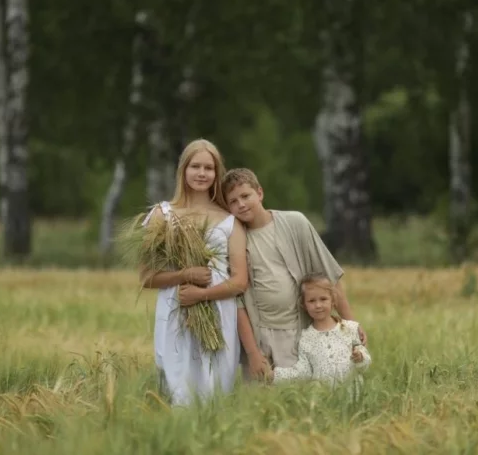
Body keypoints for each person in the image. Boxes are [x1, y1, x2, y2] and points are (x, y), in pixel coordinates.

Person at [221, 167, 367, 382]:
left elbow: (330, 277)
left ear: (259, 193)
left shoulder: (294, 223)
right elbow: (238, 303)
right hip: (261, 337)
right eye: (233, 201)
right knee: (265, 403)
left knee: (309, 395)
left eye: (245, 196)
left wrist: (351, 326)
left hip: (303, 332)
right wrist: (252, 353)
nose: (241, 204)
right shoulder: (235, 240)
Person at [140, 139, 248, 406]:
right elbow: (146, 277)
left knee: (215, 389)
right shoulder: (161, 215)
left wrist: (202, 294)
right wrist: (184, 275)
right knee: (178, 389)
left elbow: (240, 281)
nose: (202, 174)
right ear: (183, 170)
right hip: (177, 309)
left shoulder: (229, 220)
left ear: (216, 173)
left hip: (219, 312)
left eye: (209, 168)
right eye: (195, 166)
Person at [267, 273, 371, 386]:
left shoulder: (349, 328)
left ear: (333, 300)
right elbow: (304, 371)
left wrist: (360, 358)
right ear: (304, 305)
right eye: (312, 301)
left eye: (323, 299)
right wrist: (274, 376)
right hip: (324, 398)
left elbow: (365, 361)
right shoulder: (306, 337)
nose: (318, 305)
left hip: (352, 397)